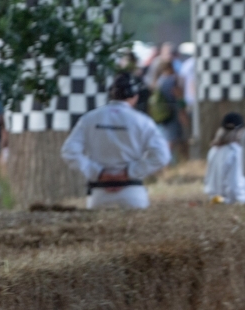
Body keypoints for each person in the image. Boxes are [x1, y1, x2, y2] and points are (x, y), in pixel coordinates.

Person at [60, 72, 171, 209]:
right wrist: (129, 173)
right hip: (133, 193)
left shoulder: (89, 119)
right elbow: (162, 156)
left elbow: (69, 151)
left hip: (99, 194)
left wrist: (98, 173)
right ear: (135, 97)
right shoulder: (143, 121)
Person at [203, 112, 245, 204]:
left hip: (213, 199)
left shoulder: (213, 150)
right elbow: (234, 187)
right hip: (228, 202)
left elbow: (207, 181)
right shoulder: (236, 152)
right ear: (240, 131)